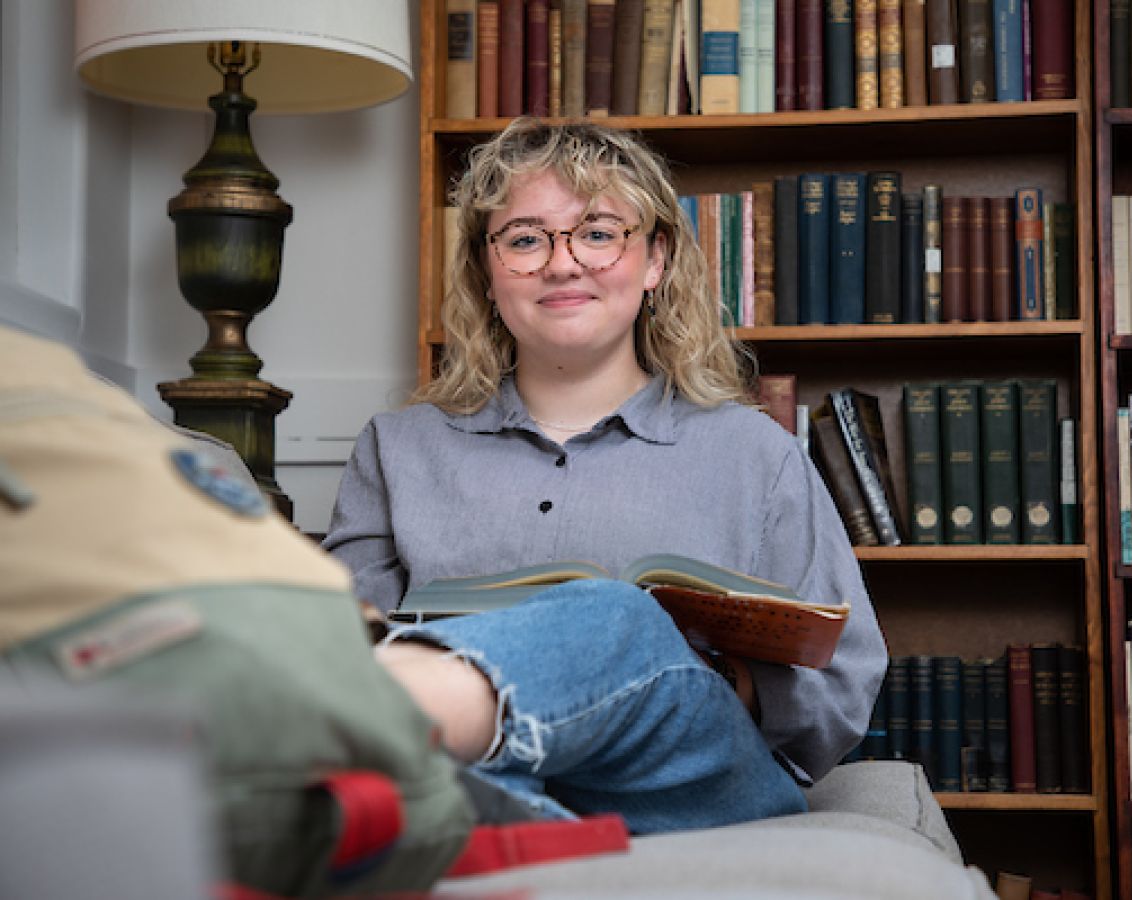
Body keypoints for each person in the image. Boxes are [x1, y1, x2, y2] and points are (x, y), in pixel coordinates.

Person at [323, 118, 888, 834]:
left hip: (685, 782)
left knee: (617, 615)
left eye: (597, 234)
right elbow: (344, 644)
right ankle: (507, 807)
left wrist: (707, 679)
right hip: (465, 768)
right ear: (486, 273)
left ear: (654, 260)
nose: (562, 265)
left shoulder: (755, 452)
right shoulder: (397, 448)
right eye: (525, 239)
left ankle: (420, 756)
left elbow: (845, 681)